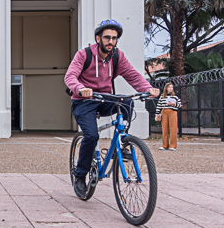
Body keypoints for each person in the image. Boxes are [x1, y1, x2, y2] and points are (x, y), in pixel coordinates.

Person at [64, 19, 159, 198]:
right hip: (84, 100)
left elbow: (132, 76)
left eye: (114, 38)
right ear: (98, 38)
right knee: (91, 136)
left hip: (105, 98)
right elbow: (70, 77)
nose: (110, 42)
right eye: (107, 37)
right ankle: (80, 175)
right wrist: (79, 89)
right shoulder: (84, 55)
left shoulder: (117, 56)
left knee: (126, 102)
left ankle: (122, 143)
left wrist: (147, 88)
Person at [155, 82, 182, 150]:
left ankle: (173, 145)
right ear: (166, 88)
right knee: (164, 129)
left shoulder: (175, 96)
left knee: (173, 129)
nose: (170, 89)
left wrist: (173, 104)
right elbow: (159, 106)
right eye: (169, 87)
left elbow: (180, 105)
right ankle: (164, 145)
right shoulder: (162, 97)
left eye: (172, 87)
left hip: (172, 112)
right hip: (164, 112)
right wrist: (157, 114)